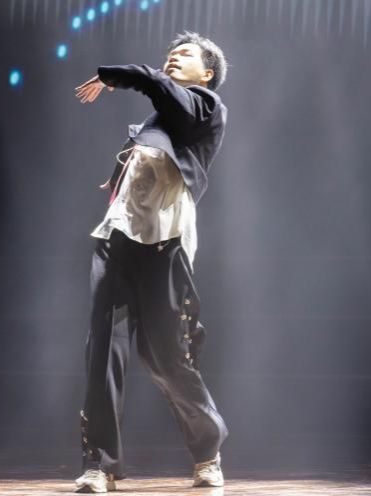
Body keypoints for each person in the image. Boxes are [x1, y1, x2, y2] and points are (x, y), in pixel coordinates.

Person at [72, 30, 230, 493]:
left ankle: (208, 452)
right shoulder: (154, 120)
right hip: (115, 241)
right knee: (103, 352)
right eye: (170, 53)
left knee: (166, 358)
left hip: (166, 244)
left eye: (185, 54)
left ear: (208, 73)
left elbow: (158, 86)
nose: (173, 58)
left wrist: (117, 75)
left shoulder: (206, 108)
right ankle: (99, 465)